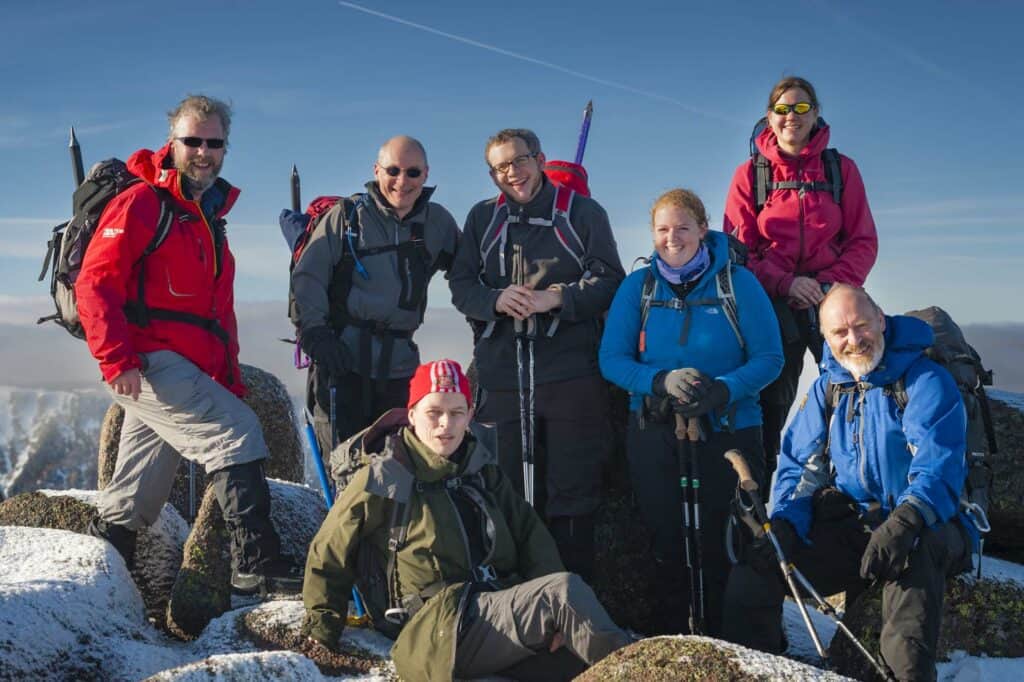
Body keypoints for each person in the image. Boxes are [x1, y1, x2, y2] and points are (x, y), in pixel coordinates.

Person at [76, 95, 302, 594]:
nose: (203, 151)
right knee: (237, 431)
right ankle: (256, 563)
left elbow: (215, 314)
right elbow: (94, 284)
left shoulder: (204, 214)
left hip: (179, 366)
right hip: (149, 360)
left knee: (137, 491)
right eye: (192, 140)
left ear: (225, 146)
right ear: (172, 141)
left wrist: (228, 379)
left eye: (213, 142)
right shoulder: (143, 202)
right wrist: (116, 360)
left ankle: (106, 573)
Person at [302, 359, 631, 682]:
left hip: (494, 607)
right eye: (434, 412)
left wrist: (556, 622)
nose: (446, 424)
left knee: (578, 659)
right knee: (563, 594)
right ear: (412, 414)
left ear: (470, 416)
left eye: (457, 413)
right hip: (436, 626)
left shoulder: (481, 471)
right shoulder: (385, 476)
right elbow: (330, 548)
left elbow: (531, 535)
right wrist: (322, 630)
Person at [721, 285, 975, 681]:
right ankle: (760, 669)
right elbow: (800, 467)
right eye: (840, 332)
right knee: (757, 567)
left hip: (929, 524)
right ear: (825, 338)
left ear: (881, 322)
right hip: (858, 525)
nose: (853, 340)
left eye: (861, 326)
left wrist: (906, 521)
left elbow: (937, 466)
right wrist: (787, 523)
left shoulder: (926, 381)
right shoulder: (829, 388)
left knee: (911, 574)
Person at [598, 189, 783, 636]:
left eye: (682, 227)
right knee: (667, 537)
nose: (672, 238)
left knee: (730, 538)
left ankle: (736, 637)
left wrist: (723, 390)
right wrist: (659, 382)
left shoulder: (738, 283)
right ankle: (674, 637)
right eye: (662, 229)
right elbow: (612, 359)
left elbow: (770, 358)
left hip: (731, 427)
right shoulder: (638, 287)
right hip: (656, 429)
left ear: (703, 229)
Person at [449, 128, 625, 581]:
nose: (513, 174)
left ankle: (572, 597)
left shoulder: (582, 213)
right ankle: (516, 595)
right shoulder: (482, 219)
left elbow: (609, 281)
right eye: (500, 167)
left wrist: (556, 298)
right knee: (504, 489)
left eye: (519, 161)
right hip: (503, 372)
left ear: (540, 158)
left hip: (569, 373)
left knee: (573, 491)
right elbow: (462, 283)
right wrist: (495, 301)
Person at [723, 76, 878, 478]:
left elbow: (863, 241)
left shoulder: (841, 169)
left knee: (860, 386)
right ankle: (770, 489)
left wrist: (827, 286)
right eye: (783, 108)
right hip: (774, 300)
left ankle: (859, 477)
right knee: (773, 398)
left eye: (802, 108)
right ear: (769, 118)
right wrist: (787, 283)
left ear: (816, 114)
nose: (792, 116)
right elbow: (738, 252)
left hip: (835, 297)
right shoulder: (750, 175)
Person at [289, 135, 459, 484]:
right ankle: (343, 536)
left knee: (398, 466)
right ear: (376, 170)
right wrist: (314, 333)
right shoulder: (348, 217)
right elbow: (309, 277)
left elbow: (469, 272)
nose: (402, 181)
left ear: (426, 174)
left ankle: (394, 538)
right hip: (341, 360)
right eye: (393, 170)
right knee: (345, 467)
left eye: (412, 172)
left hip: (399, 365)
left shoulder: (437, 223)